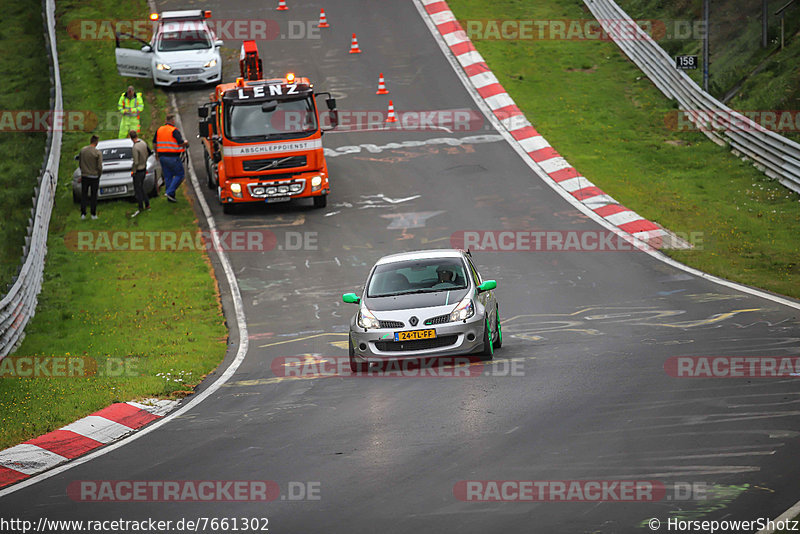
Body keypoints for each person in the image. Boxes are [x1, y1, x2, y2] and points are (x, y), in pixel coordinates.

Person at [153, 113, 189, 203]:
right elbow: (180, 143)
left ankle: (171, 197)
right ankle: (169, 192)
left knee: (168, 176)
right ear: (173, 121)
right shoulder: (174, 130)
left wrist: (157, 153)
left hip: (162, 157)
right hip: (172, 157)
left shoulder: (159, 130)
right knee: (180, 175)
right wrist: (186, 143)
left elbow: (154, 143)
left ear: (166, 121)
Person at [78, 135, 103, 220]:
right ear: (96, 142)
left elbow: (80, 163)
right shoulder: (97, 153)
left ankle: (83, 213)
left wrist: (83, 172)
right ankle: (93, 214)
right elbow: (99, 166)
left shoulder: (83, 150)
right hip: (94, 176)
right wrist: (99, 174)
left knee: (84, 195)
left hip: (85, 175)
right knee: (93, 195)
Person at [129, 130, 150, 217]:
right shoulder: (143, 143)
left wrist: (133, 170)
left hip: (138, 170)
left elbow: (136, 162)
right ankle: (147, 204)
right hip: (144, 168)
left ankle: (140, 206)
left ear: (130, 137)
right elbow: (148, 152)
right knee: (141, 187)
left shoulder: (135, 147)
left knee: (138, 189)